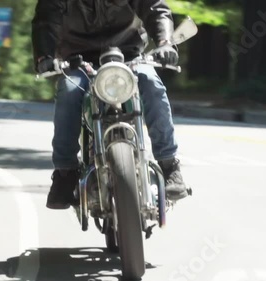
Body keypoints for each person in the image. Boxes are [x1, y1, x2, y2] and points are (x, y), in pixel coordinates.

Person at [32, 0, 189, 209]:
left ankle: (169, 165)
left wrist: (164, 42)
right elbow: (46, 19)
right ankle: (64, 173)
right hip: (79, 60)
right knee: (68, 92)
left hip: (129, 55)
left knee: (151, 84)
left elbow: (155, 8)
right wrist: (46, 55)